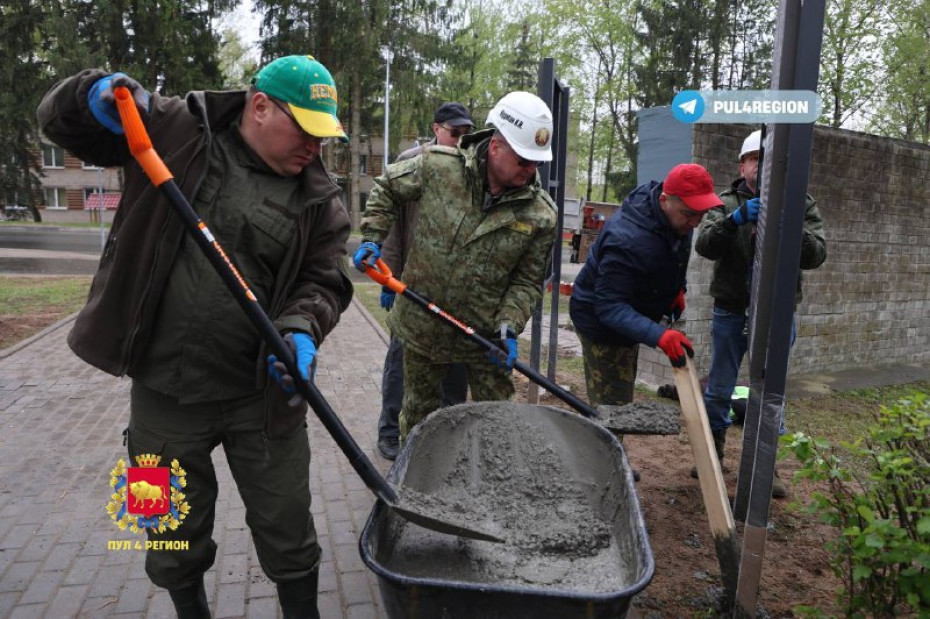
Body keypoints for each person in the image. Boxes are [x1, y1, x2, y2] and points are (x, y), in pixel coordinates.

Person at [37, 54, 353, 618]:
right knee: (164, 528)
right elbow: (58, 121)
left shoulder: (320, 200)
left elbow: (324, 279)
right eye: (305, 129)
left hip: (263, 397)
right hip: (160, 393)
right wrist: (90, 94)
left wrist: (302, 329)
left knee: (288, 526)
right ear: (260, 106)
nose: (315, 148)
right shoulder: (176, 129)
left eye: (323, 136)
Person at [356, 91, 558, 441]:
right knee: (417, 417)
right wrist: (373, 237)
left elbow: (526, 283)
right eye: (524, 159)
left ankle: (489, 490)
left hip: (484, 338)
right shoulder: (438, 167)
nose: (531, 169)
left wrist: (510, 325)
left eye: (537, 162)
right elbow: (387, 185)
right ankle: (413, 486)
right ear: (496, 146)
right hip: (421, 327)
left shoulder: (540, 215)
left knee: (496, 424)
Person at [695, 129, 827, 498]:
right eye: (755, 159)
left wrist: (791, 229)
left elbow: (817, 254)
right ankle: (712, 456)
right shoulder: (722, 202)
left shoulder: (801, 203)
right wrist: (734, 220)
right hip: (731, 310)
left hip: (778, 313)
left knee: (770, 392)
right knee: (719, 388)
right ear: (742, 165)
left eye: (769, 161)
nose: (761, 167)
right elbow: (705, 246)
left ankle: (765, 468)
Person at [568, 164, 723, 476]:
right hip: (601, 324)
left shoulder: (677, 219)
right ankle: (604, 469)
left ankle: (613, 458)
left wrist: (678, 290)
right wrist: (659, 335)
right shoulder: (625, 238)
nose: (695, 222)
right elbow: (609, 307)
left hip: (630, 314)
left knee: (621, 393)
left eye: (700, 215)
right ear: (665, 200)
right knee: (612, 404)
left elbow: (674, 258)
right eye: (689, 214)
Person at [375, 102, 475, 460]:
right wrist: (390, 278)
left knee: (454, 369)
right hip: (410, 283)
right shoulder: (412, 161)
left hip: (452, 290)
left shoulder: (470, 168)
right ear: (436, 128)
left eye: (465, 134)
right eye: (454, 133)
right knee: (401, 362)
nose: (459, 141)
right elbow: (393, 223)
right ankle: (389, 431)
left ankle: (443, 435)